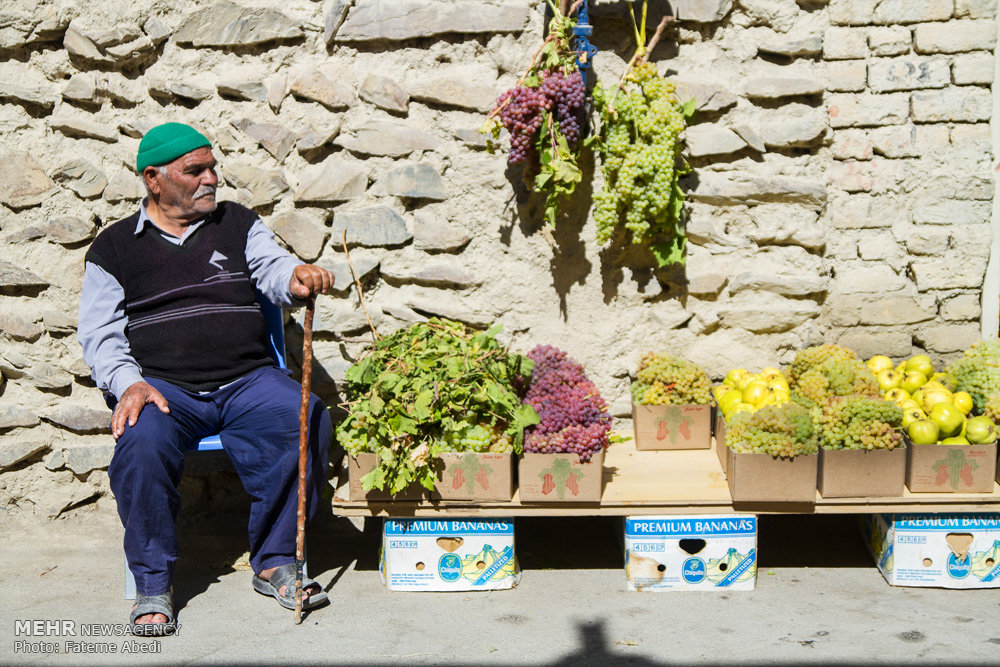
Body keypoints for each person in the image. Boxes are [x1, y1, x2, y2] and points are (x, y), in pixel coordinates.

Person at [77, 122, 336, 634]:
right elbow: (100, 334)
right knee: (140, 442)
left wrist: (295, 277)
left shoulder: (237, 223)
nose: (211, 178)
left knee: (301, 416)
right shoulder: (113, 249)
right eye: (195, 170)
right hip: (165, 389)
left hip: (246, 381)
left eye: (212, 167)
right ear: (154, 179)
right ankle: (153, 582)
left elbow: (272, 268)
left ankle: (275, 560)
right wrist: (129, 382)